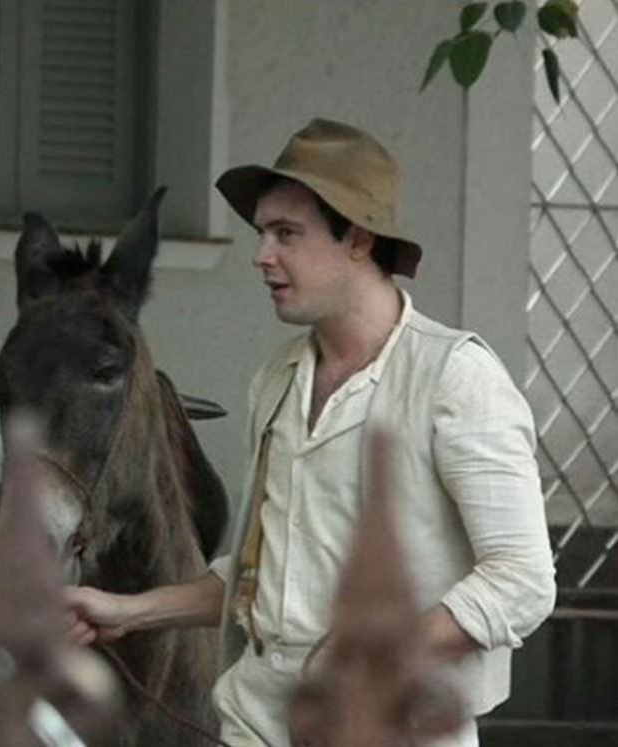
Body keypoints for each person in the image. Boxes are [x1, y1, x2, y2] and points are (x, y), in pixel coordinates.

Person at [63, 118, 556, 747]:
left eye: (286, 234)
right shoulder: (279, 377)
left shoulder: (454, 378)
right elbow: (263, 573)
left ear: (358, 239)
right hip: (255, 719)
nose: (261, 255)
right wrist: (129, 611)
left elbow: (522, 580)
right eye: (262, 233)